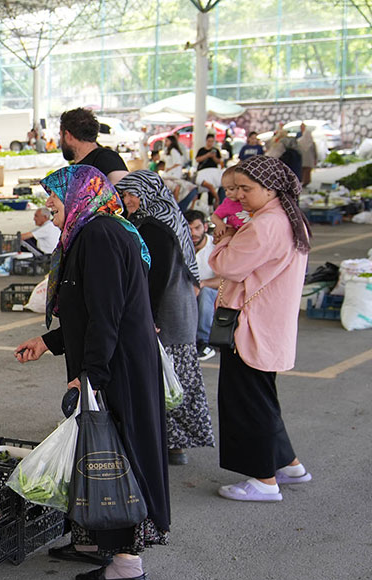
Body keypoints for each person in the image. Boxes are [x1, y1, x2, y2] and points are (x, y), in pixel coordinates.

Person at [14, 165, 168, 580]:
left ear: (81, 195)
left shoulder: (100, 236)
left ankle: (126, 563)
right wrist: (50, 342)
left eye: (55, 196)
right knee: (98, 452)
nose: (48, 204)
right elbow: (91, 309)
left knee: (116, 457)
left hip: (117, 368)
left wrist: (91, 377)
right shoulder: (95, 231)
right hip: (112, 362)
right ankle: (94, 541)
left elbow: (107, 315)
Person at [209, 155, 312, 503]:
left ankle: (264, 480)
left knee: (247, 402)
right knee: (262, 398)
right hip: (269, 326)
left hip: (250, 328)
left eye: (244, 188)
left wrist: (222, 239)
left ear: (270, 189)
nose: (237, 195)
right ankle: (289, 464)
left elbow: (228, 265)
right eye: (233, 188)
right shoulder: (286, 216)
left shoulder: (265, 224)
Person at [117, 170, 215, 466]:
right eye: (124, 194)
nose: (126, 200)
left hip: (166, 312)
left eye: (131, 193)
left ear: (146, 192)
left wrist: (147, 314)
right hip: (180, 308)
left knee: (164, 378)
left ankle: (166, 442)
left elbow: (155, 276)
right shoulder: (168, 216)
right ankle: (175, 445)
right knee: (175, 378)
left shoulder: (152, 224)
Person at [184, 209, 220, 360]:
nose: (193, 233)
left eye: (197, 228)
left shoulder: (216, 247)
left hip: (213, 292)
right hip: (189, 291)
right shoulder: (182, 246)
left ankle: (204, 342)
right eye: (189, 228)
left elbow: (224, 279)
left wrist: (202, 284)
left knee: (205, 294)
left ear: (205, 227)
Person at [59, 108, 128, 185]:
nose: (60, 141)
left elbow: (125, 192)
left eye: (61, 135)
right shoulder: (77, 167)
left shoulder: (107, 158)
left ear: (68, 136)